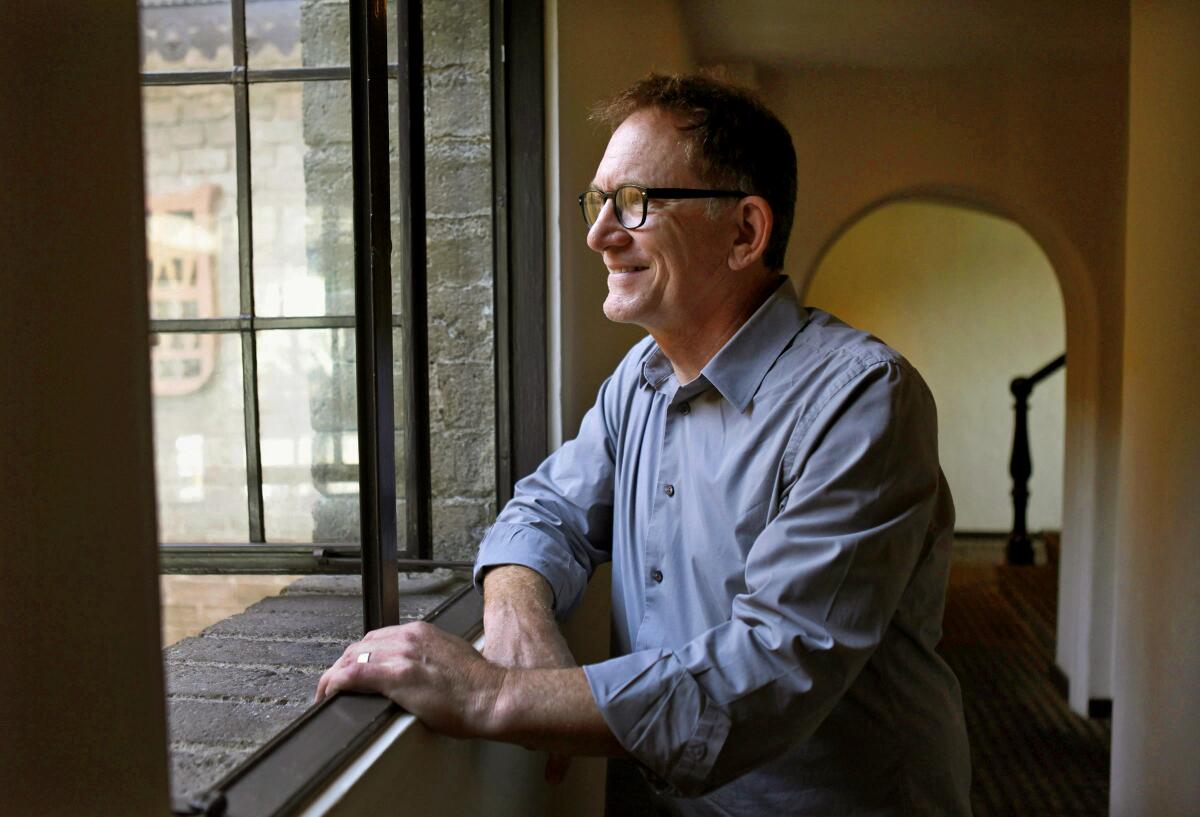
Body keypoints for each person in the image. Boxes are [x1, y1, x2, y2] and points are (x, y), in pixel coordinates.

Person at [317, 73, 972, 816]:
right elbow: (547, 507)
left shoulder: (863, 398)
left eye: (634, 203)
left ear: (745, 232)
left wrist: (497, 692)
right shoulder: (643, 377)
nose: (598, 233)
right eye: (598, 202)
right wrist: (516, 611)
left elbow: (774, 669)